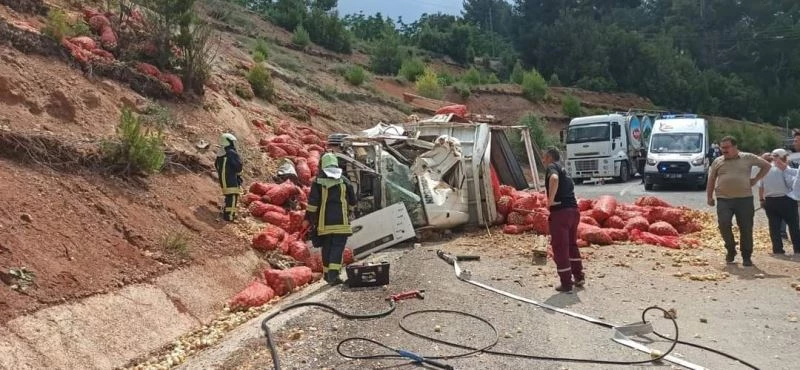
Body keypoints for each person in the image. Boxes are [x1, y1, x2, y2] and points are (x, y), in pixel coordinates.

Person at [706, 136, 771, 266]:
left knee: (746, 227)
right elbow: (711, 179)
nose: (724, 150)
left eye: (726, 147)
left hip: (744, 199)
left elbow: (766, 165)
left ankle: (746, 256)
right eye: (722, 148)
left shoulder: (747, 157)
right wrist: (709, 197)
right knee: (724, 224)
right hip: (724, 199)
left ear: (735, 147)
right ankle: (730, 249)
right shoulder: (718, 161)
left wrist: (756, 179)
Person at [305, 153, 357, 285]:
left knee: (327, 248)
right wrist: (349, 210)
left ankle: (328, 275)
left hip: (324, 223)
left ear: (322, 165)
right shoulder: (344, 181)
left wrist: (309, 219)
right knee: (337, 248)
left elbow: (312, 205)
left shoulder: (318, 181)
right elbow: (353, 201)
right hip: (341, 223)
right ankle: (334, 275)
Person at [543, 147, 582, 292]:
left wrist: (550, 201)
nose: (543, 161)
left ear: (549, 157)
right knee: (572, 245)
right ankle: (579, 276)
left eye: (544, 158)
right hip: (573, 211)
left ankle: (566, 283)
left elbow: (554, 179)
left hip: (560, 213)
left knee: (560, 248)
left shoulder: (552, 168)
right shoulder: (564, 169)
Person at [758, 149, 800, 255]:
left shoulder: (765, 169)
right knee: (793, 225)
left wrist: (761, 199)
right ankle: (798, 248)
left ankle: (777, 249)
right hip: (786, 200)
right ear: (783, 157)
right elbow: (791, 184)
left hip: (770, 201)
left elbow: (760, 186)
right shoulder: (784, 169)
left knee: (774, 226)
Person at [758, 153, 788, 239]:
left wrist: (761, 199)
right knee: (783, 216)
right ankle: (782, 232)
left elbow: (761, 187)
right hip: (784, 197)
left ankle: (778, 240)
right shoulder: (781, 167)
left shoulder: (763, 171)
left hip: (770, 199)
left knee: (773, 219)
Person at [214, 133, 243, 222]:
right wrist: (237, 175)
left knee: (229, 196)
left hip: (223, 179)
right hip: (230, 178)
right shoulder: (231, 153)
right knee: (233, 196)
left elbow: (216, 165)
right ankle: (229, 216)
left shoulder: (220, 153)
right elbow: (238, 166)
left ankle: (226, 211)